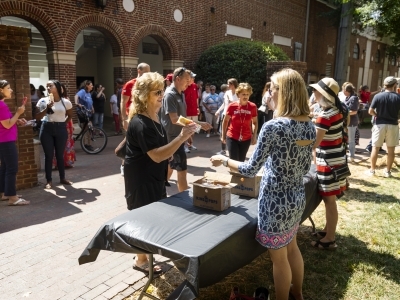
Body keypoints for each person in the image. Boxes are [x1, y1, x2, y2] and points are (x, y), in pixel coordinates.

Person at [211, 68, 315, 300]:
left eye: (272, 88)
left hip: (275, 201)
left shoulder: (274, 127)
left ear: (284, 92)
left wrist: (225, 160)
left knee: (279, 259)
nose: (269, 93)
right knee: (293, 248)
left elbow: (250, 169)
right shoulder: (309, 124)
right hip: (297, 196)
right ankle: (297, 295)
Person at [124, 72, 197, 273]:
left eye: (162, 91)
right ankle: (141, 261)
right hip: (141, 179)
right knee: (144, 220)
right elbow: (156, 155)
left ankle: (142, 256)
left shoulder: (155, 117)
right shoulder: (140, 122)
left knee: (150, 219)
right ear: (144, 95)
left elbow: (161, 147)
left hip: (153, 177)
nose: (161, 95)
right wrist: (180, 138)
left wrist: (171, 151)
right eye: (157, 92)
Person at [310, 77, 348, 250]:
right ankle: (328, 230)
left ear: (323, 94)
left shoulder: (325, 115)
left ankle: (330, 239)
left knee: (329, 201)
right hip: (336, 159)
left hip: (328, 162)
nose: (313, 93)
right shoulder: (336, 110)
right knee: (330, 201)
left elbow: (314, 143)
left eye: (316, 90)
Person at [160, 67, 211, 192]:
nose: (189, 83)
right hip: (172, 138)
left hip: (178, 137)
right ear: (178, 79)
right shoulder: (170, 95)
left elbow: (181, 117)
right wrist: (198, 125)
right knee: (182, 170)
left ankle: (159, 190)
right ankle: (185, 197)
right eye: (187, 80)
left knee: (171, 166)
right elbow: (174, 119)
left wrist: (197, 125)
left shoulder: (181, 93)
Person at [36, 80, 74, 189]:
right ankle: (49, 180)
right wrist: (47, 108)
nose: (48, 88)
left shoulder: (65, 102)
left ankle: (62, 178)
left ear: (57, 87)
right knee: (48, 156)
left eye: (50, 86)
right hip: (46, 128)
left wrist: (62, 124)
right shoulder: (42, 101)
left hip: (60, 129)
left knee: (59, 155)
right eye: (47, 86)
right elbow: (37, 117)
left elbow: (70, 115)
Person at [0, 80, 29, 206]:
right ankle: (12, 197)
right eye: (8, 87)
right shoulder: (1, 105)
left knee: (5, 168)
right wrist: (18, 113)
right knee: (12, 168)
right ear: (1, 90)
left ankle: (4, 193)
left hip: (3, 141)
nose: (11, 90)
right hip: (6, 141)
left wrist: (17, 120)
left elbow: (6, 122)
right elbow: (7, 125)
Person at [120, 63, 150, 176]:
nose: (148, 75)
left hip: (144, 118)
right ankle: (124, 164)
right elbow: (123, 102)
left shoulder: (148, 86)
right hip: (131, 118)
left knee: (144, 143)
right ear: (139, 71)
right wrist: (124, 119)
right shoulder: (130, 84)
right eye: (146, 72)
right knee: (129, 143)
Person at [367, 76, 400, 177]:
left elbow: (370, 111)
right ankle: (388, 171)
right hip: (393, 124)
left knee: (375, 148)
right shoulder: (398, 97)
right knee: (391, 149)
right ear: (395, 85)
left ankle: (372, 170)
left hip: (379, 124)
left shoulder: (378, 96)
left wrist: (376, 115)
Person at [221, 82, 258, 162]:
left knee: (241, 161)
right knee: (234, 160)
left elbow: (254, 122)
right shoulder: (232, 106)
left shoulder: (252, 106)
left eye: (247, 94)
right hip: (232, 136)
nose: (245, 96)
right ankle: (233, 174)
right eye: (243, 94)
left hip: (246, 138)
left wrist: (254, 136)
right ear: (238, 95)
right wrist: (223, 135)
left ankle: (238, 174)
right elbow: (225, 121)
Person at [52, 84, 76, 168]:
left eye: (61, 89)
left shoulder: (66, 100)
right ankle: (57, 163)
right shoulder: (51, 100)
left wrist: (72, 124)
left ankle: (68, 162)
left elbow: (70, 115)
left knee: (68, 143)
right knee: (58, 144)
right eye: (59, 88)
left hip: (67, 123)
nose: (60, 90)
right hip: (57, 123)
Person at [215, 78, 239, 155]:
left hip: (234, 116)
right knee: (223, 131)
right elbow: (224, 104)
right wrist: (218, 111)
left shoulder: (238, 93)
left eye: (229, 84)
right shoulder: (227, 93)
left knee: (234, 132)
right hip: (225, 114)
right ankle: (223, 150)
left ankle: (234, 149)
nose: (227, 85)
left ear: (233, 84)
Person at [184, 71, 199, 152]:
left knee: (194, 129)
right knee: (186, 129)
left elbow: (196, 97)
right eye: (192, 77)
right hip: (186, 112)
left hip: (194, 111)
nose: (193, 79)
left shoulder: (194, 85)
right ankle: (185, 145)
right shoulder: (184, 87)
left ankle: (190, 144)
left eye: (193, 77)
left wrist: (197, 107)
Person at [343, 83, 359, 162]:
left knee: (351, 139)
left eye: (343, 90)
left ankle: (352, 156)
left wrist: (343, 113)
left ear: (346, 91)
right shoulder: (348, 97)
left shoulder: (354, 98)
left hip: (352, 122)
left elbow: (354, 111)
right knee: (346, 139)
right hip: (347, 122)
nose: (342, 91)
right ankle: (346, 154)